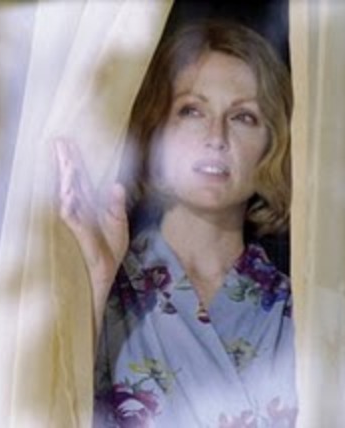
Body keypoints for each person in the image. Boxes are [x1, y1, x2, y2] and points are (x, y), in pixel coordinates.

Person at [56, 20, 295, 428]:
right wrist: (97, 281)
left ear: (272, 144)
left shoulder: (300, 311)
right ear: (156, 129)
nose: (216, 136)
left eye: (243, 117)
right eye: (191, 110)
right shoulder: (106, 284)